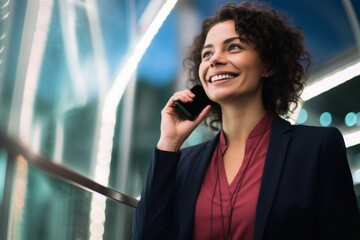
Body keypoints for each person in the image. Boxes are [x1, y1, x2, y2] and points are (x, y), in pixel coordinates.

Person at [132, 2, 360, 240]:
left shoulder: (317, 148)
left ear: (269, 65)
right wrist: (168, 142)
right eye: (207, 53)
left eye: (233, 47)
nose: (214, 60)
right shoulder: (184, 162)